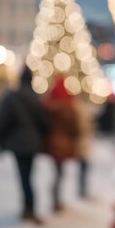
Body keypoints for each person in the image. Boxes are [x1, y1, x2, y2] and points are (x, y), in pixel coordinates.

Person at [0, 67, 49, 224]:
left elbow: (3, 122)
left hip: (18, 144)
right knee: (29, 177)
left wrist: (2, 140)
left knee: (23, 177)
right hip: (32, 143)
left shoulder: (11, 98)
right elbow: (44, 123)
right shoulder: (36, 98)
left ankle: (27, 209)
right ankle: (30, 208)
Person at [43, 75, 79, 212]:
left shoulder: (47, 106)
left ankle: (55, 199)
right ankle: (56, 200)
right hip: (65, 145)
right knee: (60, 174)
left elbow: (44, 126)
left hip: (52, 144)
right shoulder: (69, 107)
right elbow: (74, 128)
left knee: (56, 173)